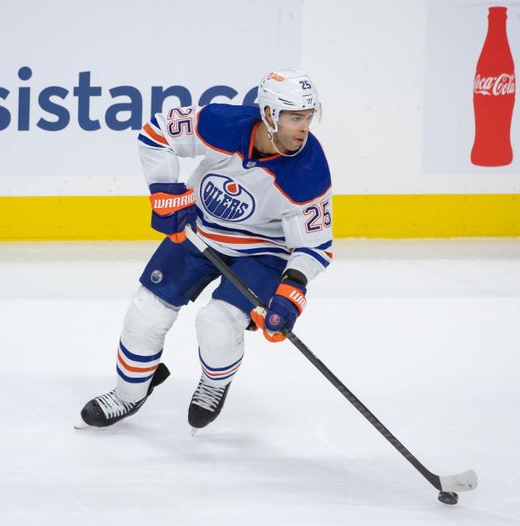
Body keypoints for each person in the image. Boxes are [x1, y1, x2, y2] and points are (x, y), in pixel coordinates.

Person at [79, 68, 333, 431]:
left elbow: (314, 247)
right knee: (146, 313)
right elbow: (156, 132)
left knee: (217, 322)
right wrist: (164, 192)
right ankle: (128, 393)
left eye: (308, 117)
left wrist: (290, 293)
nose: (304, 128)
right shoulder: (222, 122)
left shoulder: (309, 170)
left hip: (261, 251)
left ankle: (214, 384)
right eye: (295, 117)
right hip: (198, 232)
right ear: (268, 114)